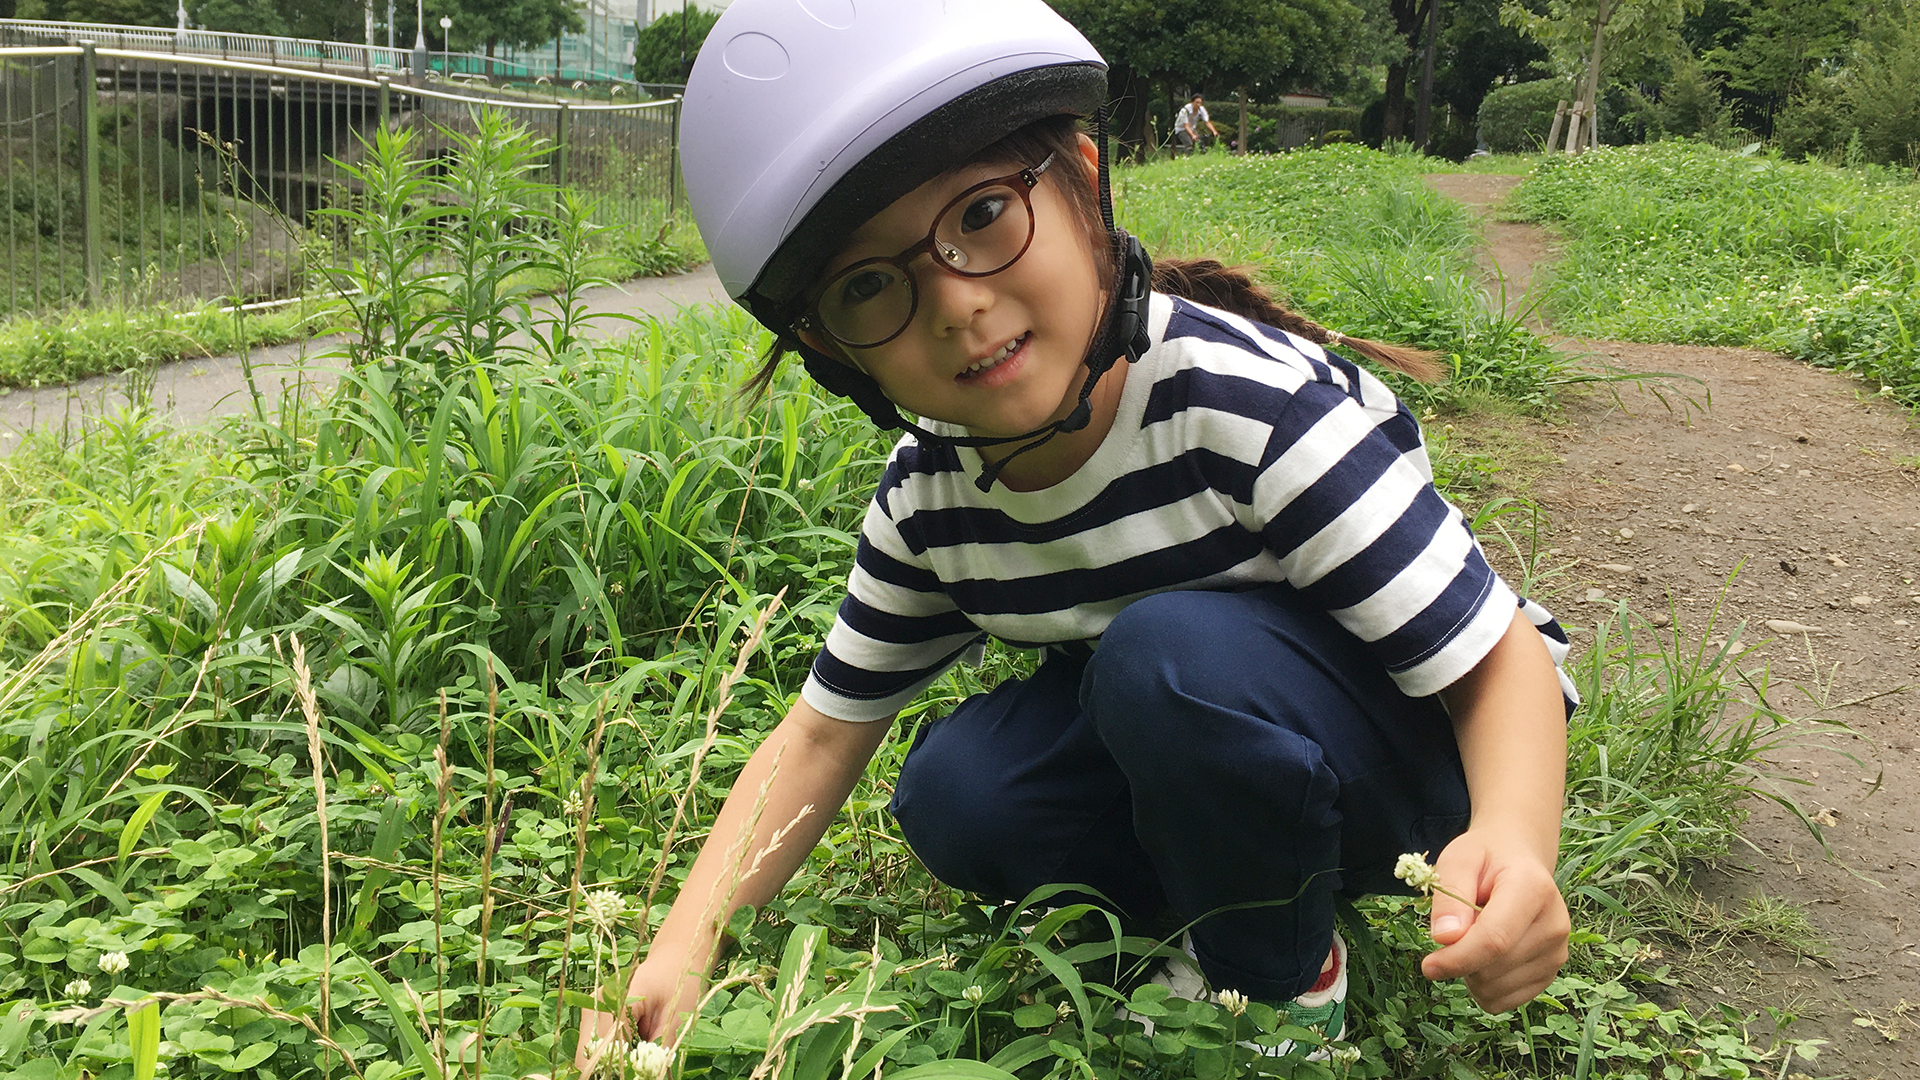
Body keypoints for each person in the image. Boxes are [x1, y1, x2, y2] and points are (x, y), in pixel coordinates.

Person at [580, 0, 1574, 1063]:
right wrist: (685, 950)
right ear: (833, 353)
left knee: (1166, 656)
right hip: (1207, 737)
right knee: (961, 792)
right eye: (869, 286)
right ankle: (1207, 899)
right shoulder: (931, 503)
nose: (955, 303)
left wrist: (1515, 840)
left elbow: (1497, 658)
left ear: (1084, 186)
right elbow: (822, 735)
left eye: (982, 215)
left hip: (1421, 760)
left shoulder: (1246, 410)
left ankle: (1276, 981)